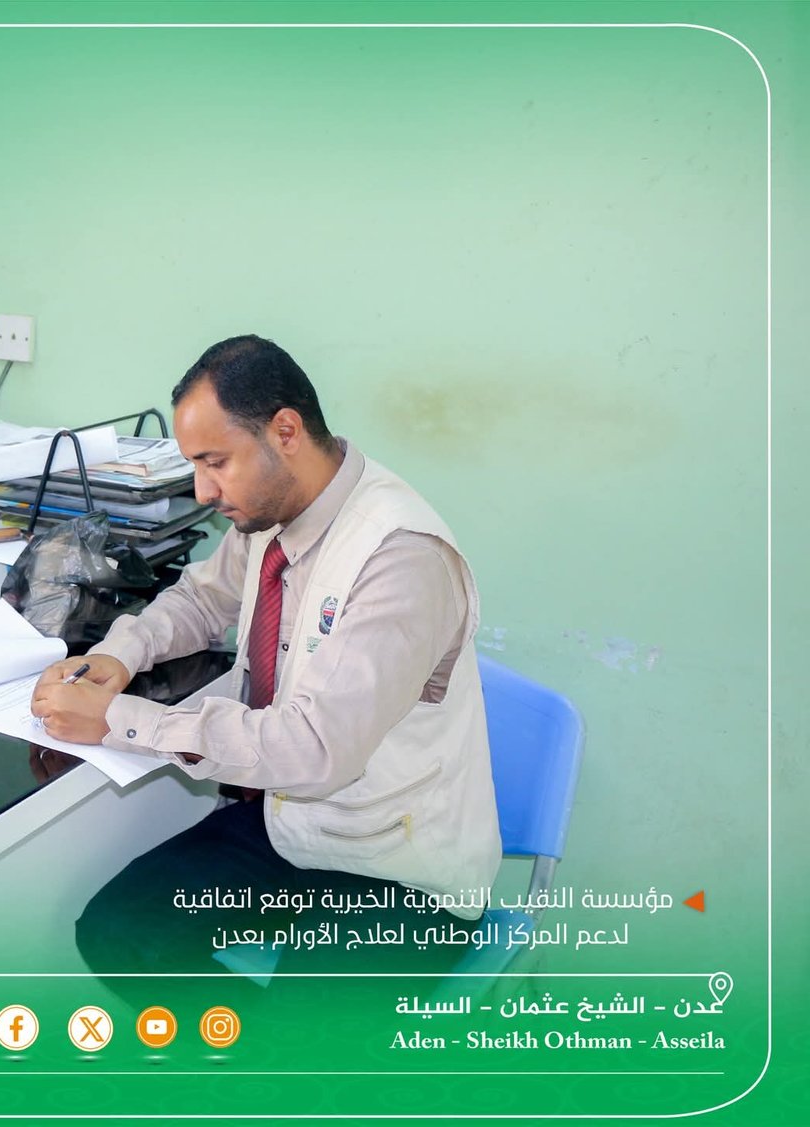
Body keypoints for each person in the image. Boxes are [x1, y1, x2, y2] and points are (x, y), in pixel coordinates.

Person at [31, 335, 500, 952]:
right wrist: (120, 654)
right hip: (289, 825)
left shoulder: (403, 558)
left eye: (215, 462)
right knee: (119, 934)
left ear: (284, 432)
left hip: (395, 866)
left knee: (301, 1013)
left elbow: (315, 748)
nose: (203, 491)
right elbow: (203, 599)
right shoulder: (271, 512)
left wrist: (119, 718)